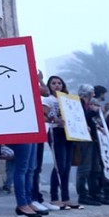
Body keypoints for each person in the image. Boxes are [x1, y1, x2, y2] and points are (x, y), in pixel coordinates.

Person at [45, 75, 79, 209]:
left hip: (69, 133)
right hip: (56, 133)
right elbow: (46, 114)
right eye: (53, 83)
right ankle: (54, 197)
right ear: (49, 86)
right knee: (60, 166)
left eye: (59, 83)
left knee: (67, 166)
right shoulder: (48, 99)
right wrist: (56, 119)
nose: (57, 85)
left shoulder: (68, 100)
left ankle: (66, 197)